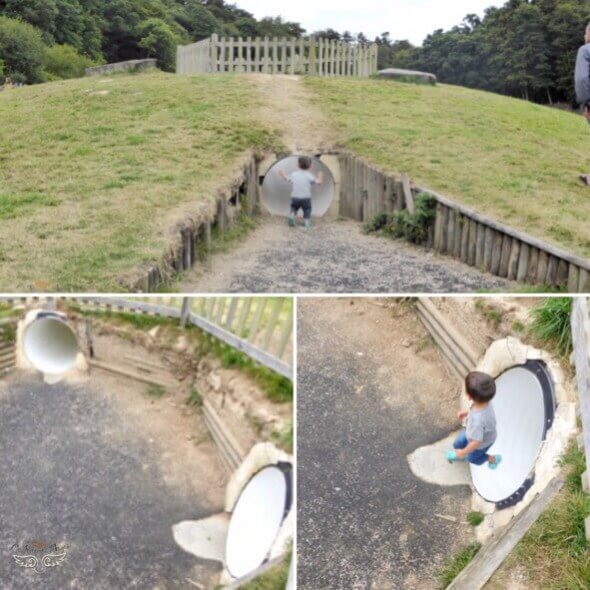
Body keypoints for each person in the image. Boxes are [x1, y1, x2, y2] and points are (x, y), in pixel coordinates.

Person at [446, 371, 502, 470]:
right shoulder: (486, 402)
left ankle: (493, 459)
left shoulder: (477, 422)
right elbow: (477, 411)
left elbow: (476, 442)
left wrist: (463, 453)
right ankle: (461, 452)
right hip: (475, 433)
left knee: (472, 458)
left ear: (469, 396)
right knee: (458, 443)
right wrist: (467, 413)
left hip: (482, 442)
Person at [279, 156, 323, 229]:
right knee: (307, 209)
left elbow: (287, 178)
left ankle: (292, 215)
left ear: (298, 165)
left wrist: (283, 174)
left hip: (295, 197)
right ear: (310, 166)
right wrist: (320, 176)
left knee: (294, 207)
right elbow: (319, 183)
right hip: (306, 197)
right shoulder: (310, 175)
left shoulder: (294, 174)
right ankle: (307, 222)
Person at [575, 23, 590, 185]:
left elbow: (582, 79)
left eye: (585, 33)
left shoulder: (585, 50)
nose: (584, 37)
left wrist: (586, 103)